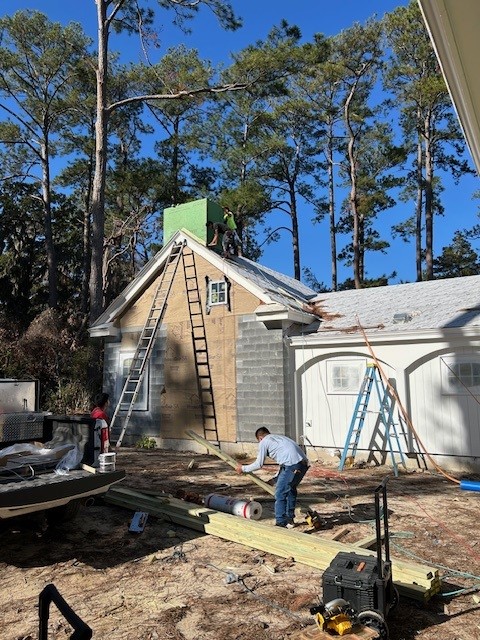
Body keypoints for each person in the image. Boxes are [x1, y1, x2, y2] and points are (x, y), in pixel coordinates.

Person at [236, 427, 309, 528]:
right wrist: (274, 480)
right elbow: (284, 464)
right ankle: (289, 519)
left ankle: (281, 523)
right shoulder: (280, 438)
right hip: (303, 464)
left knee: (280, 493)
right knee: (291, 489)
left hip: (292, 466)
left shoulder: (264, 442)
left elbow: (259, 464)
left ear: (260, 438)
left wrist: (243, 468)